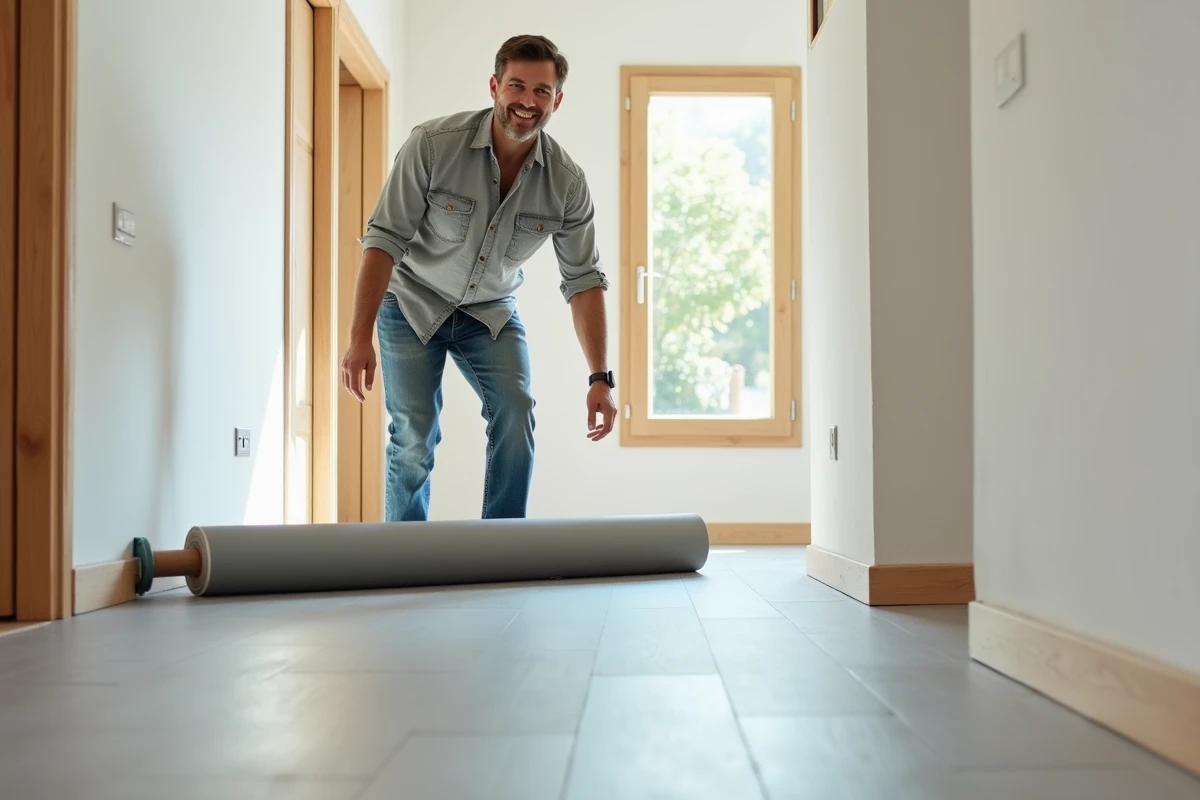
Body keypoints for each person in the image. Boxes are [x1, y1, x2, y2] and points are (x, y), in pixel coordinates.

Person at [339, 34, 616, 523]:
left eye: (542, 92)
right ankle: (406, 556)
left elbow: (584, 279)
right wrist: (359, 336)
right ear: (494, 85)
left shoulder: (567, 184)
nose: (528, 102)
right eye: (517, 86)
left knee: (516, 410)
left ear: (557, 100)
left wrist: (599, 378)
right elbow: (383, 238)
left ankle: (501, 550)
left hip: (490, 312)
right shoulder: (432, 145)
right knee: (414, 434)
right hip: (410, 303)